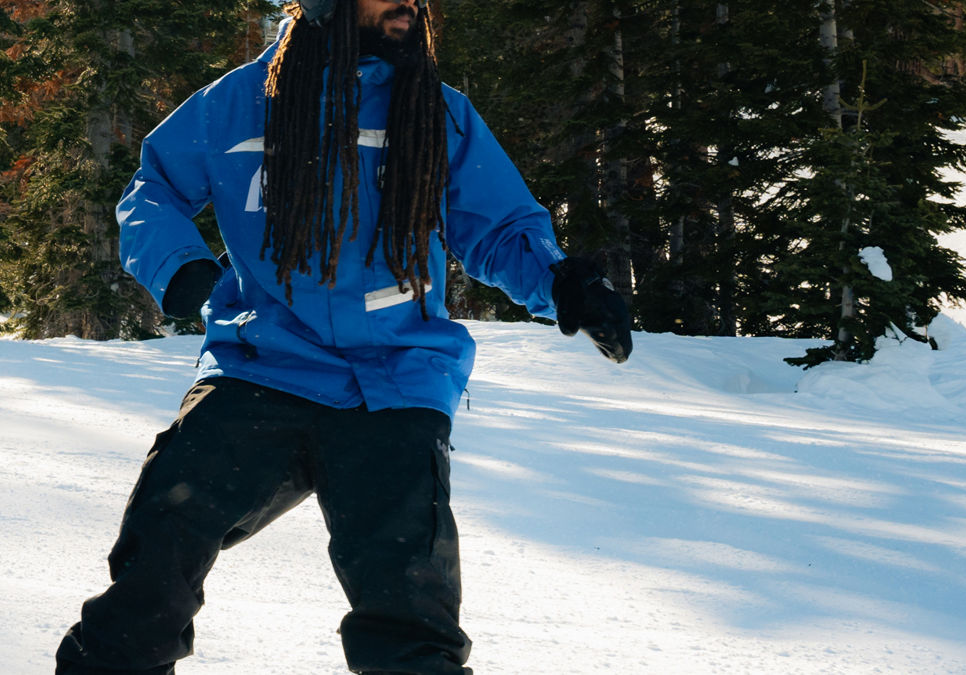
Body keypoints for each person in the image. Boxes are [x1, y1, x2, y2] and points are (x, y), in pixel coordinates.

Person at [54, 0, 634, 672]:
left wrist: (565, 284)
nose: (409, 6)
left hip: (394, 383)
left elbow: (500, 227)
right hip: (260, 368)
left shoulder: (437, 113)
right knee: (155, 563)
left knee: (409, 621)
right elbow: (151, 188)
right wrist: (178, 264)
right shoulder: (239, 103)